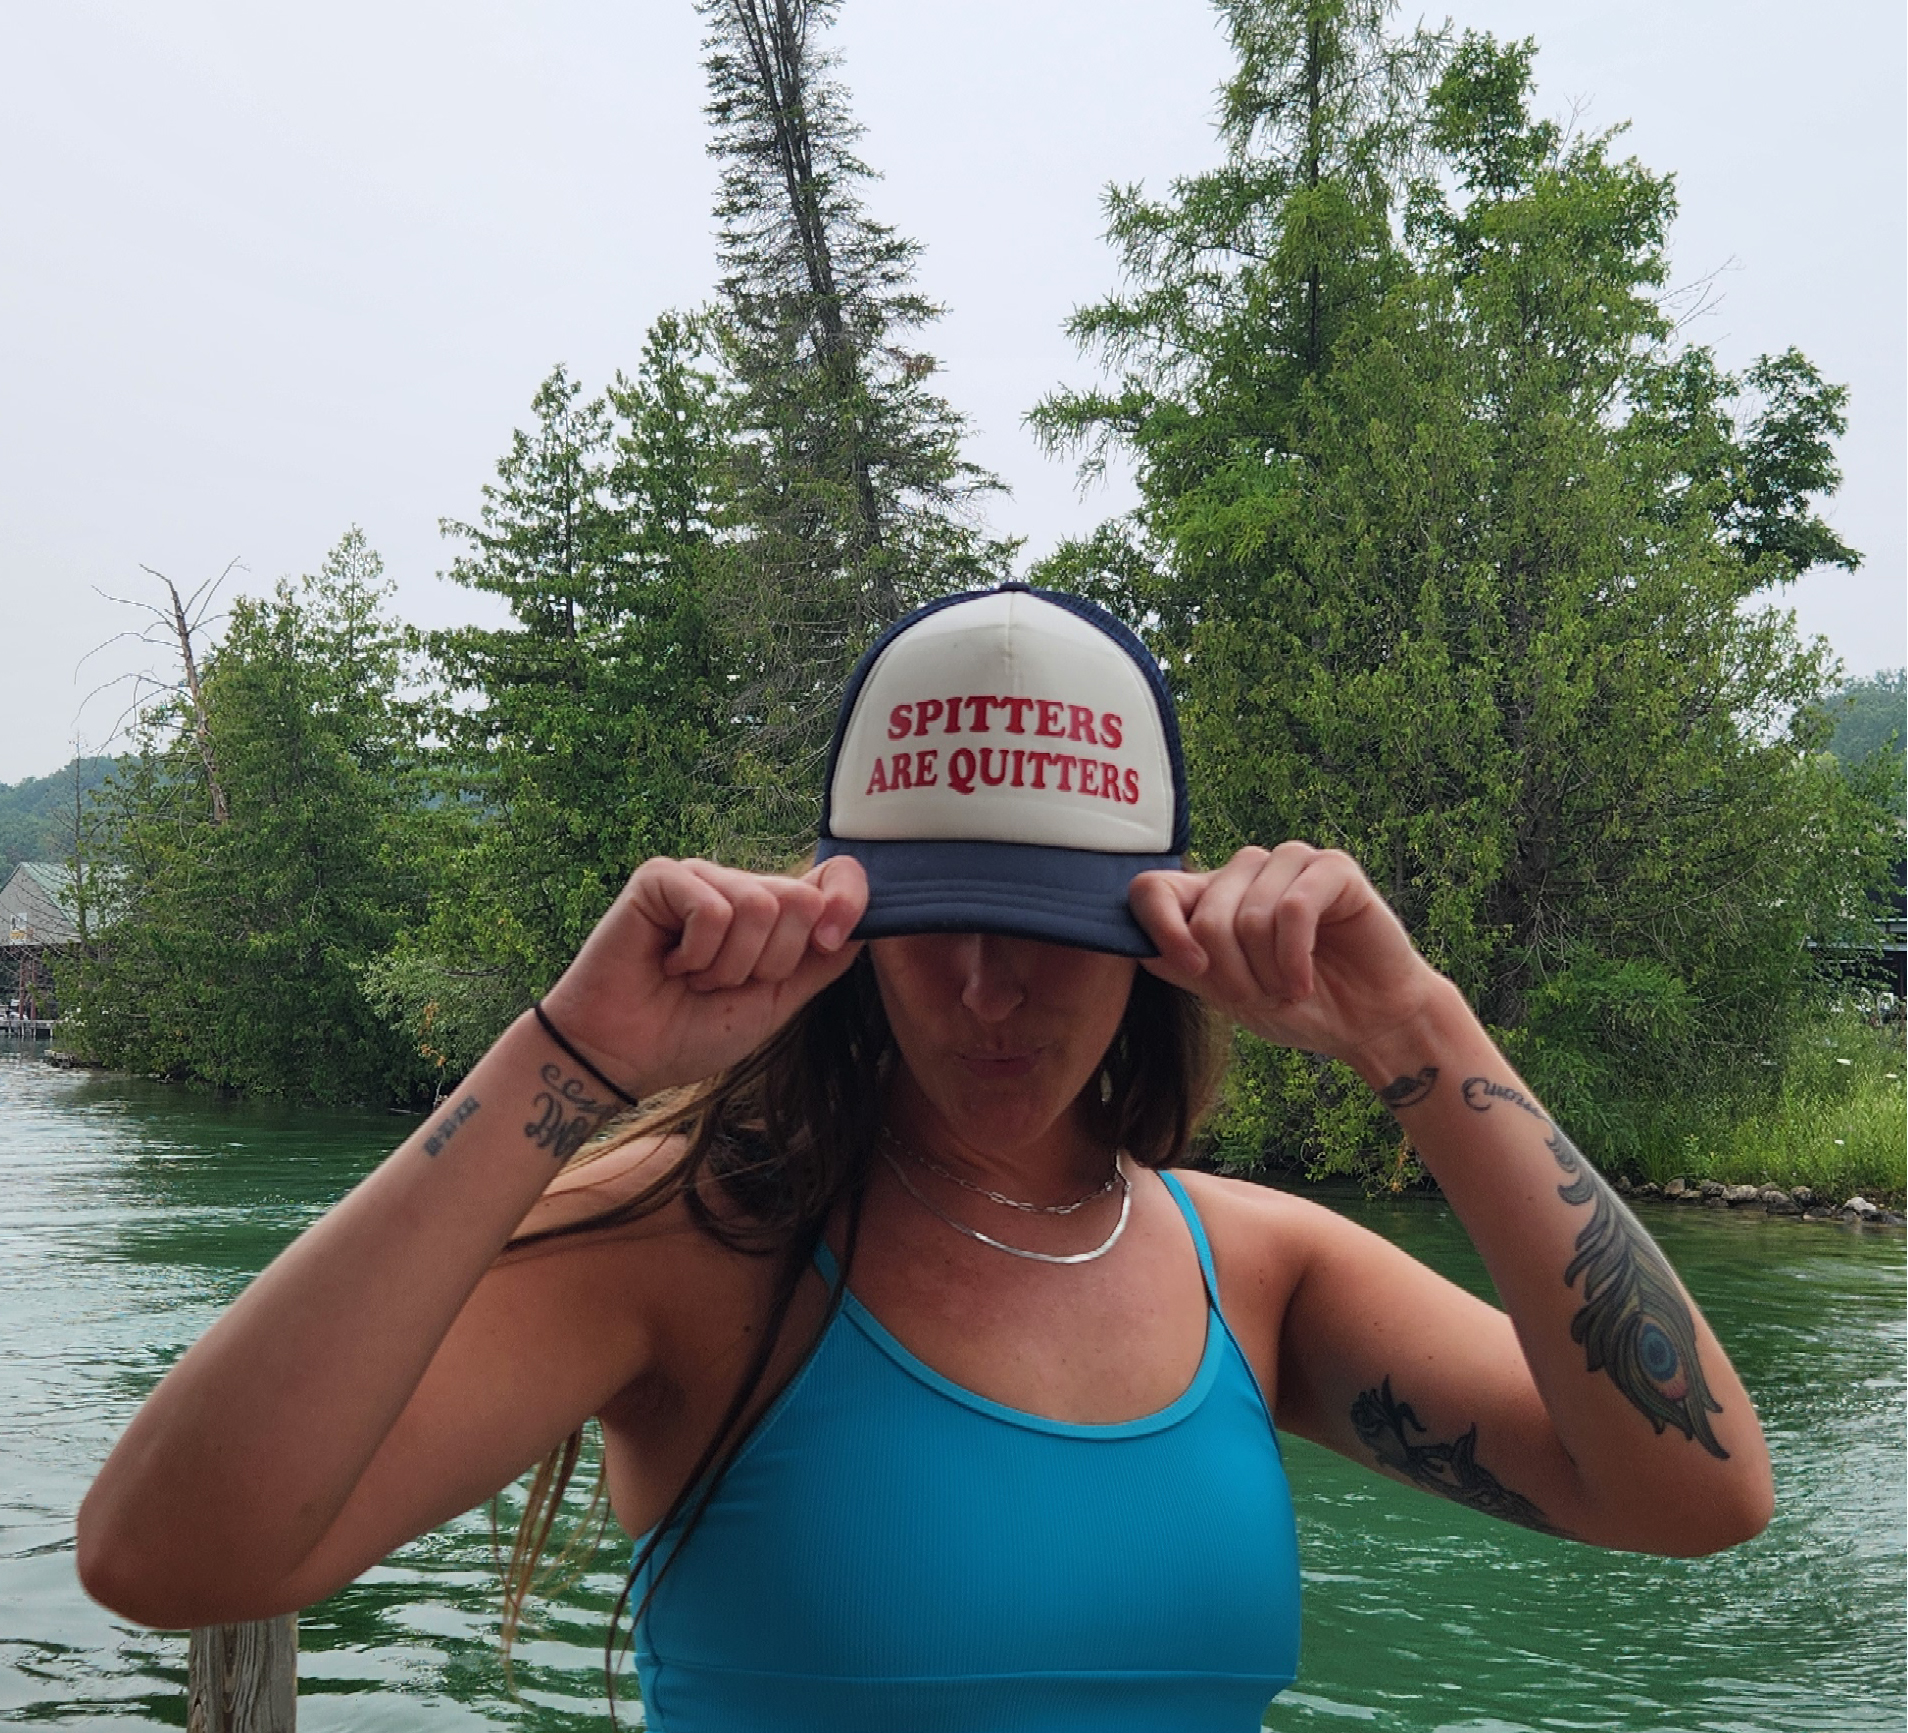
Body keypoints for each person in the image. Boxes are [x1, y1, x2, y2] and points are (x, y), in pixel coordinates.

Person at [78, 585, 1772, 1731]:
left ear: (1157, 935)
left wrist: (1421, 1031)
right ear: (848, 925)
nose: (987, 986)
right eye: (937, 917)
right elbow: (165, 1553)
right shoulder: (693, 1248)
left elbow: (1693, 1493)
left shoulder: (1254, 1271)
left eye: (1049, 926)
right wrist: (569, 1059)